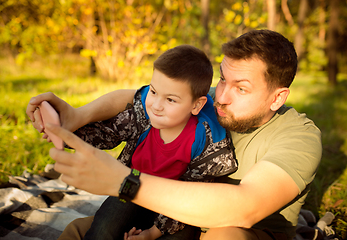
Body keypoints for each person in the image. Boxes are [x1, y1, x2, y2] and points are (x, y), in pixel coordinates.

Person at [26, 29, 322, 240]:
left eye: (241, 88)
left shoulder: (299, 136)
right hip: (166, 215)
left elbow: (245, 208)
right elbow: (136, 98)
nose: (222, 96)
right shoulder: (204, 102)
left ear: (277, 98)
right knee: (79, 231)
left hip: (237, 230)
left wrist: (124, 182)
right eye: (222, 78)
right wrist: (77, 115)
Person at [29, 45, 238, 240]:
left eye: (171, 100)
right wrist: (65, 131)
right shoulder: (143, 116)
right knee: (105, 226)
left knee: (184, 235)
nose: (156, 105)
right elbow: (106, 133)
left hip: (176, 199)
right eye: (154, 92)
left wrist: (152, 233)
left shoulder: (205, 141)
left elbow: (193, 195)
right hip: (133, 179)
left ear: (196, 105)